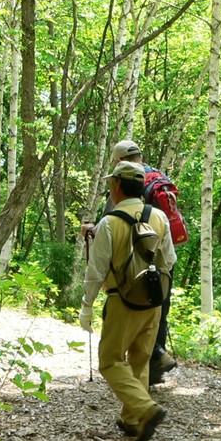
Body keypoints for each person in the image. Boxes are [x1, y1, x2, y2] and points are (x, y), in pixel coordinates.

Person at [79, 160, 176, 441]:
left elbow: (96, 271)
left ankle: (145, 409)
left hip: (122, 300)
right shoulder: (158, 216)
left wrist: (87, 306)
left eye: (112, 183)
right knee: (140, 358)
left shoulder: (109, 223)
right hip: (154, 300)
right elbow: (169, 260)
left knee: (109, 360)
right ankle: (132, 420)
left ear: (117, 186)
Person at [82, 139, 181, 385]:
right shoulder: (159, 177)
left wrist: (91, 230)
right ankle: (153, 360)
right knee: (156, 306)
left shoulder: (123, 180)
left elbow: (111, 222)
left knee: (125, 313)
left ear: (118, 161)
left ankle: (138, 385)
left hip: (129, 264)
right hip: (159, 261)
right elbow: (169, 252)